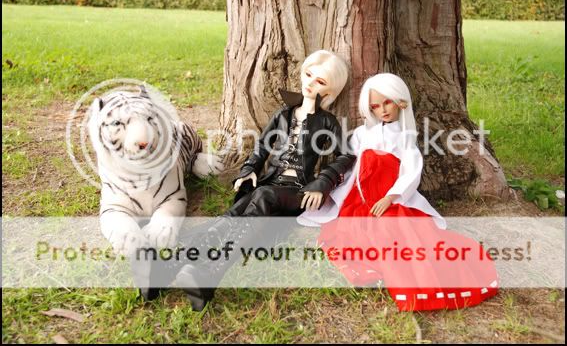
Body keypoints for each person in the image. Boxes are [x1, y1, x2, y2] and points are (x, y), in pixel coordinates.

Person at [138, 50, 357, 310]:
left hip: (297, 191)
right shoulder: (284, 114)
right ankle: (167, 271)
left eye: (320, 81)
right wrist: (249, 169)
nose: (310, 82)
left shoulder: (327, 121)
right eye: (309, 75)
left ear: (330, 91)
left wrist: (324, 181)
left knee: (260, 197)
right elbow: (262, 146)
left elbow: (346, 155)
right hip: (269, 184)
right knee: (233, 213)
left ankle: (210, 272)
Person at [298, 73, 499, 311]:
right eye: (375, 106)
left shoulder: (404, 138)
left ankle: (422, 283)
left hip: (389, 195)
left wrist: (391, 196)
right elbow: (351, 162)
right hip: (361, 196)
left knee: (397, 231)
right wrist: (334, 185)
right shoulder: (362, 134)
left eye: (388, 102)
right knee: (354, 228)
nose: (382, 110)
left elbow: (411, 171)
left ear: (400, 102)